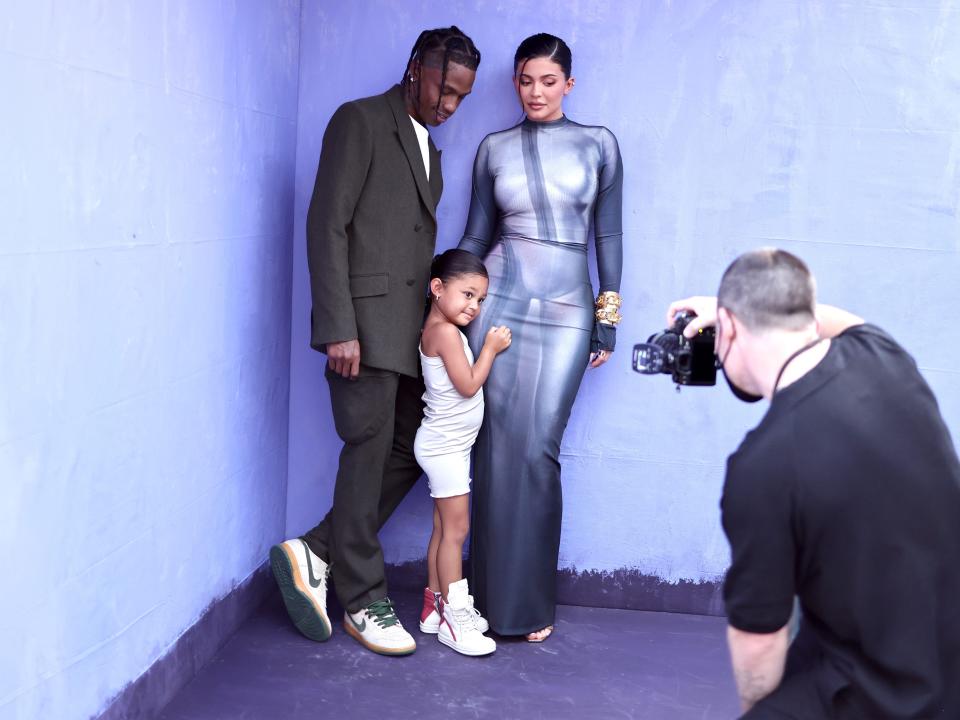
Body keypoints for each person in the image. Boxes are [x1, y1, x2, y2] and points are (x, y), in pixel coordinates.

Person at [668, 248, 960, 718]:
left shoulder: (761, 465)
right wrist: (744, 306)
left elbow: (758, 644)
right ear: (803, 310)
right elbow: (845, 323)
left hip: (879, 699)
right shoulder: (885, 357)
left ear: (730, 327)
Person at [269, 27, 481, 657]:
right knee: (366, 447)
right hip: (360, 327)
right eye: (444, 88)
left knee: (406, 449)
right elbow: (326, 222)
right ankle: (363, 599)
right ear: (416, 68)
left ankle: (316, 550)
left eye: (461, 98)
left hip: (408, 337)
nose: (448, 105)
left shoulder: (430, 150)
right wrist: (338, 325)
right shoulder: (359, 121)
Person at [457, 33, 624, 642]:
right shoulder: (493, 147)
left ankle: (529, 604)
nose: (536, 92)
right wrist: (447, 309)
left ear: (569, 84)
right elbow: (476, 236)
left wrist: (608, 315)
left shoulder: (599, 144)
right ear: (515, 83)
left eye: (548, 81)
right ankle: (483, 602)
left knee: (537, 449)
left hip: (566, 307)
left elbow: (608, 237)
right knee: (494, 448)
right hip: (498, 300)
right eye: (526, 80)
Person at [413, 249, 511, 656]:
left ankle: (433, 610)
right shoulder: (446, 334)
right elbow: (469, 385)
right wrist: (489, 348)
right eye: (467, 295)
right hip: (446, 449)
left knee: (442, 530)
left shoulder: (439, 328)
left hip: (445, 445)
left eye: (480, 300)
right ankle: (457, 618)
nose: (474, 306)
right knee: (456, 532)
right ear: (437, 288)